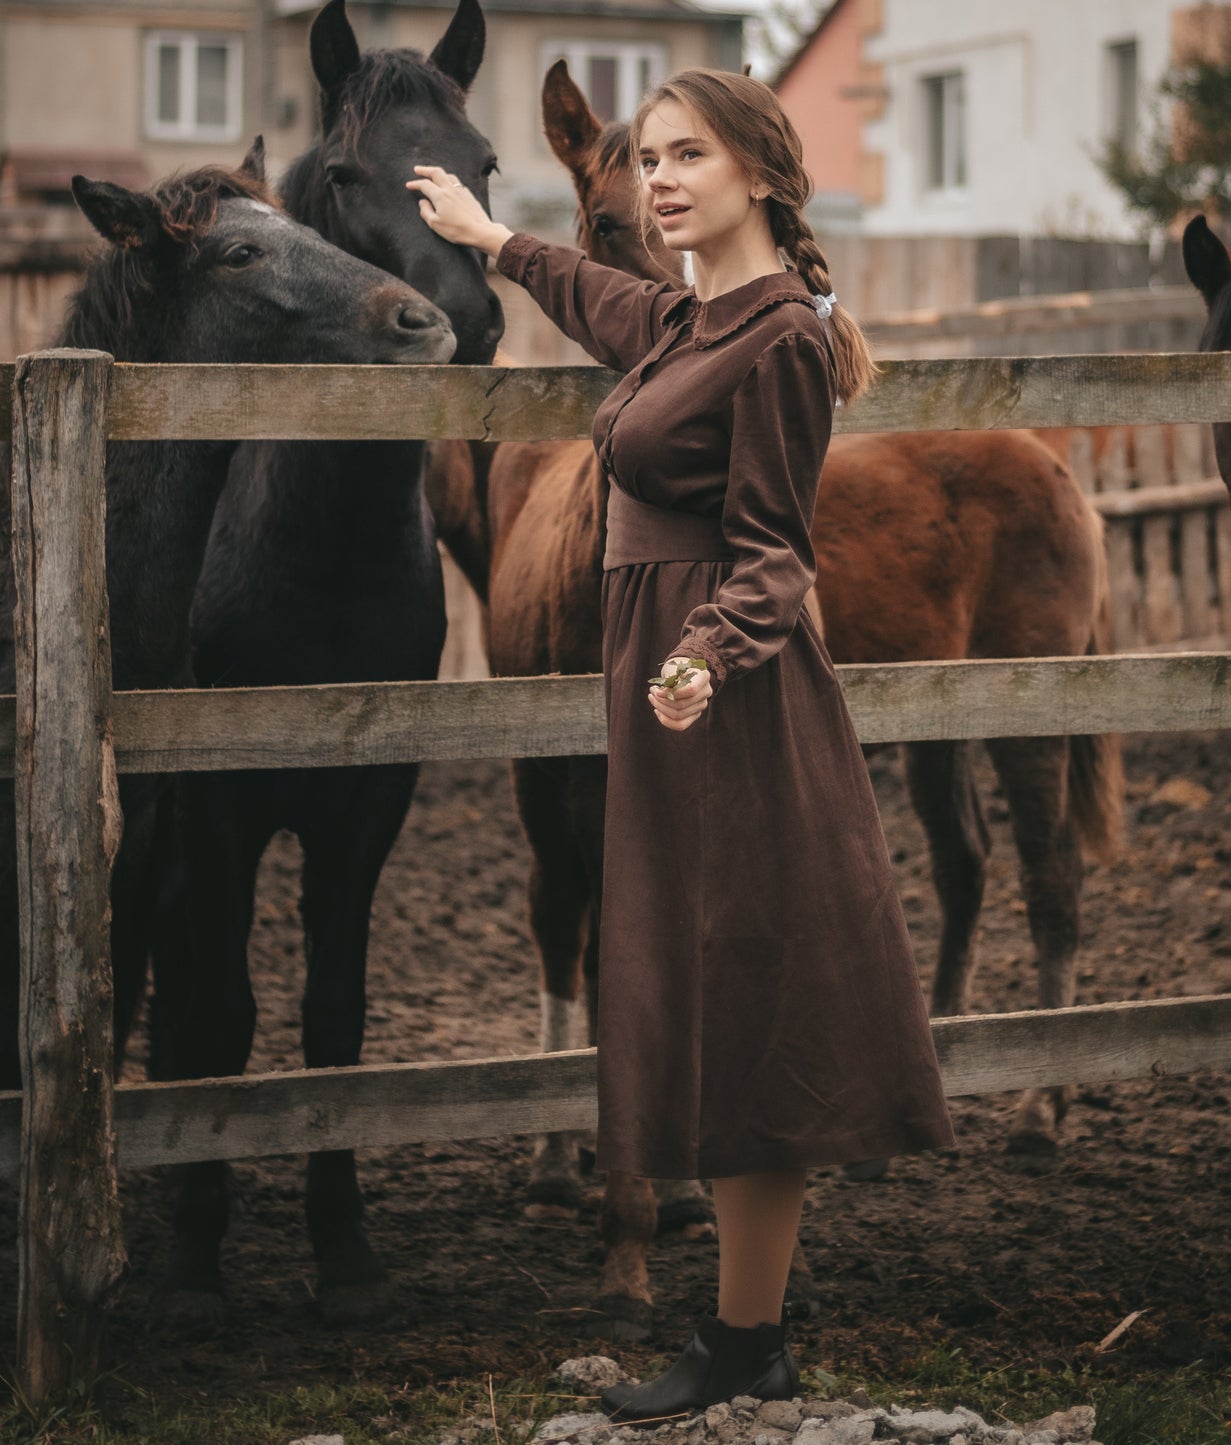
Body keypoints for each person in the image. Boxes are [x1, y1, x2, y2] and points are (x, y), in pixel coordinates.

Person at [408, 67, 954, 1422]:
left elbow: (777, 561)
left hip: (730, 707)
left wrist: (702, 656)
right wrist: (492, 245)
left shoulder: (774, 342)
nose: (656, 179)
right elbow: (608, 302)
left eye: (684, 155)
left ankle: (743, 1339)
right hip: (673, 698)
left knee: (751, 1014)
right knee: (710, 1012)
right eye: (646, 159)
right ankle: (737, 1333)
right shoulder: (691, 318)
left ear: (758, 172)